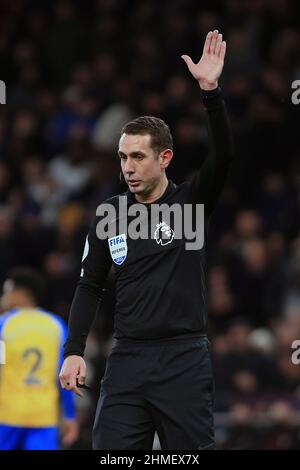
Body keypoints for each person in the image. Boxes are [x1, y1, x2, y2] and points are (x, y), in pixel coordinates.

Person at [60, 30, 234, 450]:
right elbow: (90, 284)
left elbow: (224, 155)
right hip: (127, 361)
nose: (129, 167)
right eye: (123, 157)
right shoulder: (109, 213)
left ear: (165, 158)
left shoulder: (192, 201)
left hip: (184, 359)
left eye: (138, 156)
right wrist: (74, 349)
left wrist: (210, 93)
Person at [0, 267, 78, 450]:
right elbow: (65, 374)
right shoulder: (57, 326)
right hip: (44, 416)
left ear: (18, 294)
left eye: (6, 291)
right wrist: (70, 415)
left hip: (7, 414)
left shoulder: (3, 325)